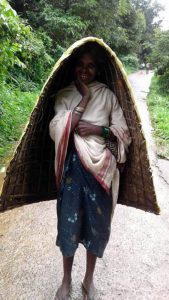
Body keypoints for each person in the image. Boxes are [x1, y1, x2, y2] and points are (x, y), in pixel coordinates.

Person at [49, 43, 131, 300]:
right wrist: (83, 99)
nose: (85, 70)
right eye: (81, 65)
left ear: (97, 69)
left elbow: (123, 137)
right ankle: (66, 280)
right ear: (74, 68)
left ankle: (88, 280)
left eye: (91, 65)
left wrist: (98, 130)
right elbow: (59, 130)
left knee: (97, 226)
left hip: (101, 174)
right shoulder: (64, 95)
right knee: (69, 224)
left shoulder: (108, 97)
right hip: (73, 171)